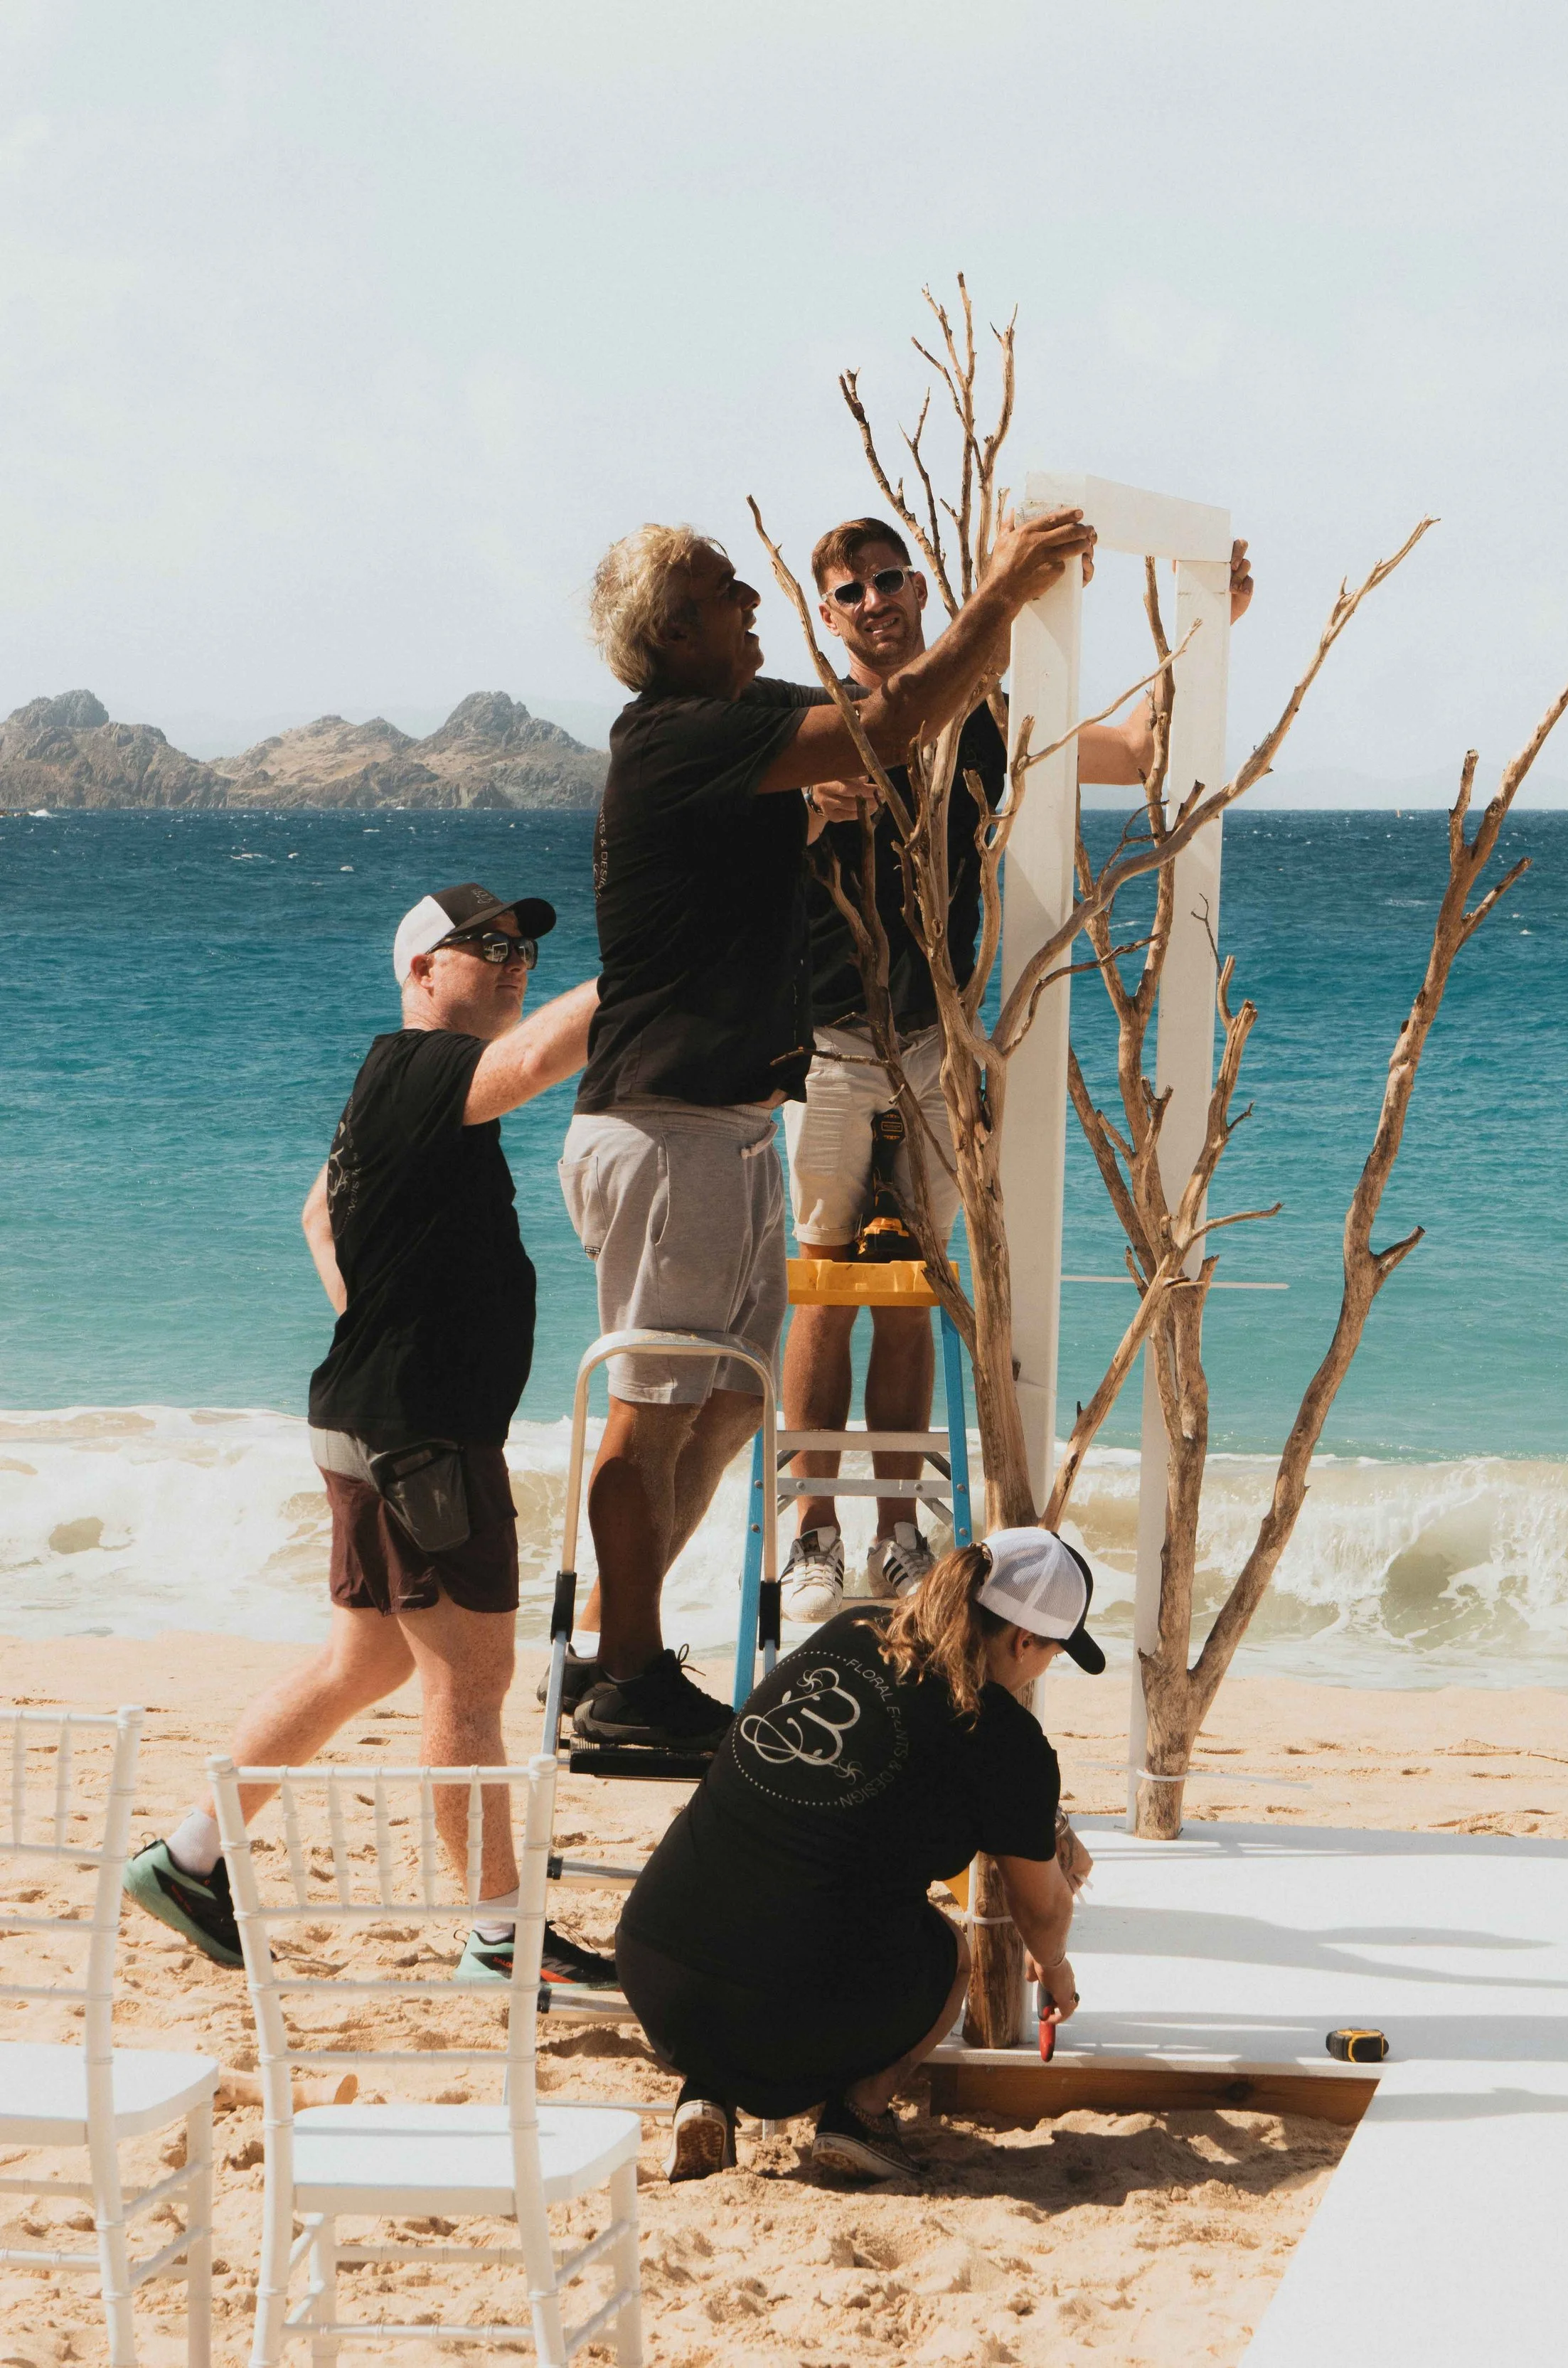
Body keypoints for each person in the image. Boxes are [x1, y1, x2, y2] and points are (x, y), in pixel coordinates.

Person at [553, 507, 1097, 1750]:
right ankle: (626, 1670)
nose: (756, 604)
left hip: (731, 1121)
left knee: (729, 1403)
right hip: (663, 1122)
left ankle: (622, 1654)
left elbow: (793, 810)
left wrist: (810, 815)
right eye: (729, 592)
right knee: (649, 1405)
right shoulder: (676, 733)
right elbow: (895, 722)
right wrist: (1006, 583)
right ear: (677, 632)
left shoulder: (728, 743)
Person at [124, 882, 615, 1989]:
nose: (508, 959)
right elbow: (536, 1062)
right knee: (470, 1687)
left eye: (520, 948)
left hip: (368, 1416)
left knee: (370, 1658)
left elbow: (316, 1212)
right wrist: (657, 962)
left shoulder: (389, 1089)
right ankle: (501, 1935)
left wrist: (380, 1320)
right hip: (421, 1436)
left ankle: (190, 1853)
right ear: (420, 971)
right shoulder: (419, 1066)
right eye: (479, 945)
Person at [779, 519, 1257, 1618]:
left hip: (943, 1039)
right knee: (823, 1287)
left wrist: (1205, 630)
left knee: (918, 1283)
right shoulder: (808, 726)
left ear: (922, 584)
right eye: (851, 591)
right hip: (832, 1043)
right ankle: (810, 1530)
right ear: (828, 613)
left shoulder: (986, 715)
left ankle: (899, 1531)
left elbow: (1136, 750)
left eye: (891, 579)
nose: (876, 602)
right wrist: (810, 804)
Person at [614, 1525, 1103, 2182]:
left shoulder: (853, 1630)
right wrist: (1057, 1965)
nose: (1046, 1667)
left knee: (776, 1878)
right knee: (948, 1955)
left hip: (655, 1964)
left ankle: (706, 2092)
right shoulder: (1006, 1741)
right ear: (1023, 1640)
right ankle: (860, 2115)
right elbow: (1040, 1909)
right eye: (1053, 1652)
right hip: (786, 2007)